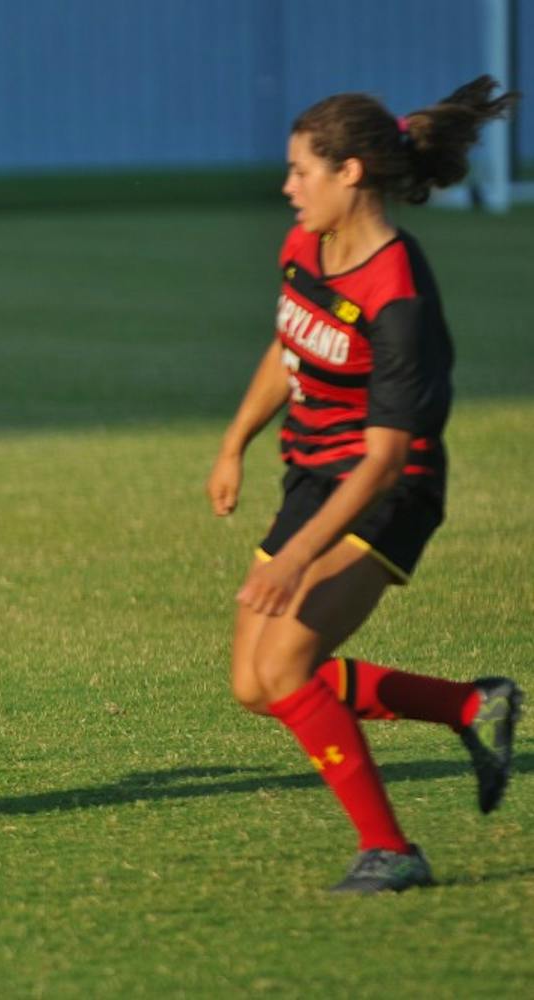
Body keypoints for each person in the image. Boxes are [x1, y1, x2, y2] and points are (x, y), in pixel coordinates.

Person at [207, 76, 522, 893]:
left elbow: (384, 456)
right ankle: (470, 707)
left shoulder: (397, 294)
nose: (286, 187)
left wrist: (293, 559)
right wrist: (236, 441)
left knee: (283, 670)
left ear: (351, 174)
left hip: (389, 492)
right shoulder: (301, 248)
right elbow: (289, 348)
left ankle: (392, 851)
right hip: (314, 477)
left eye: (301, 171)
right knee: (255, 683)